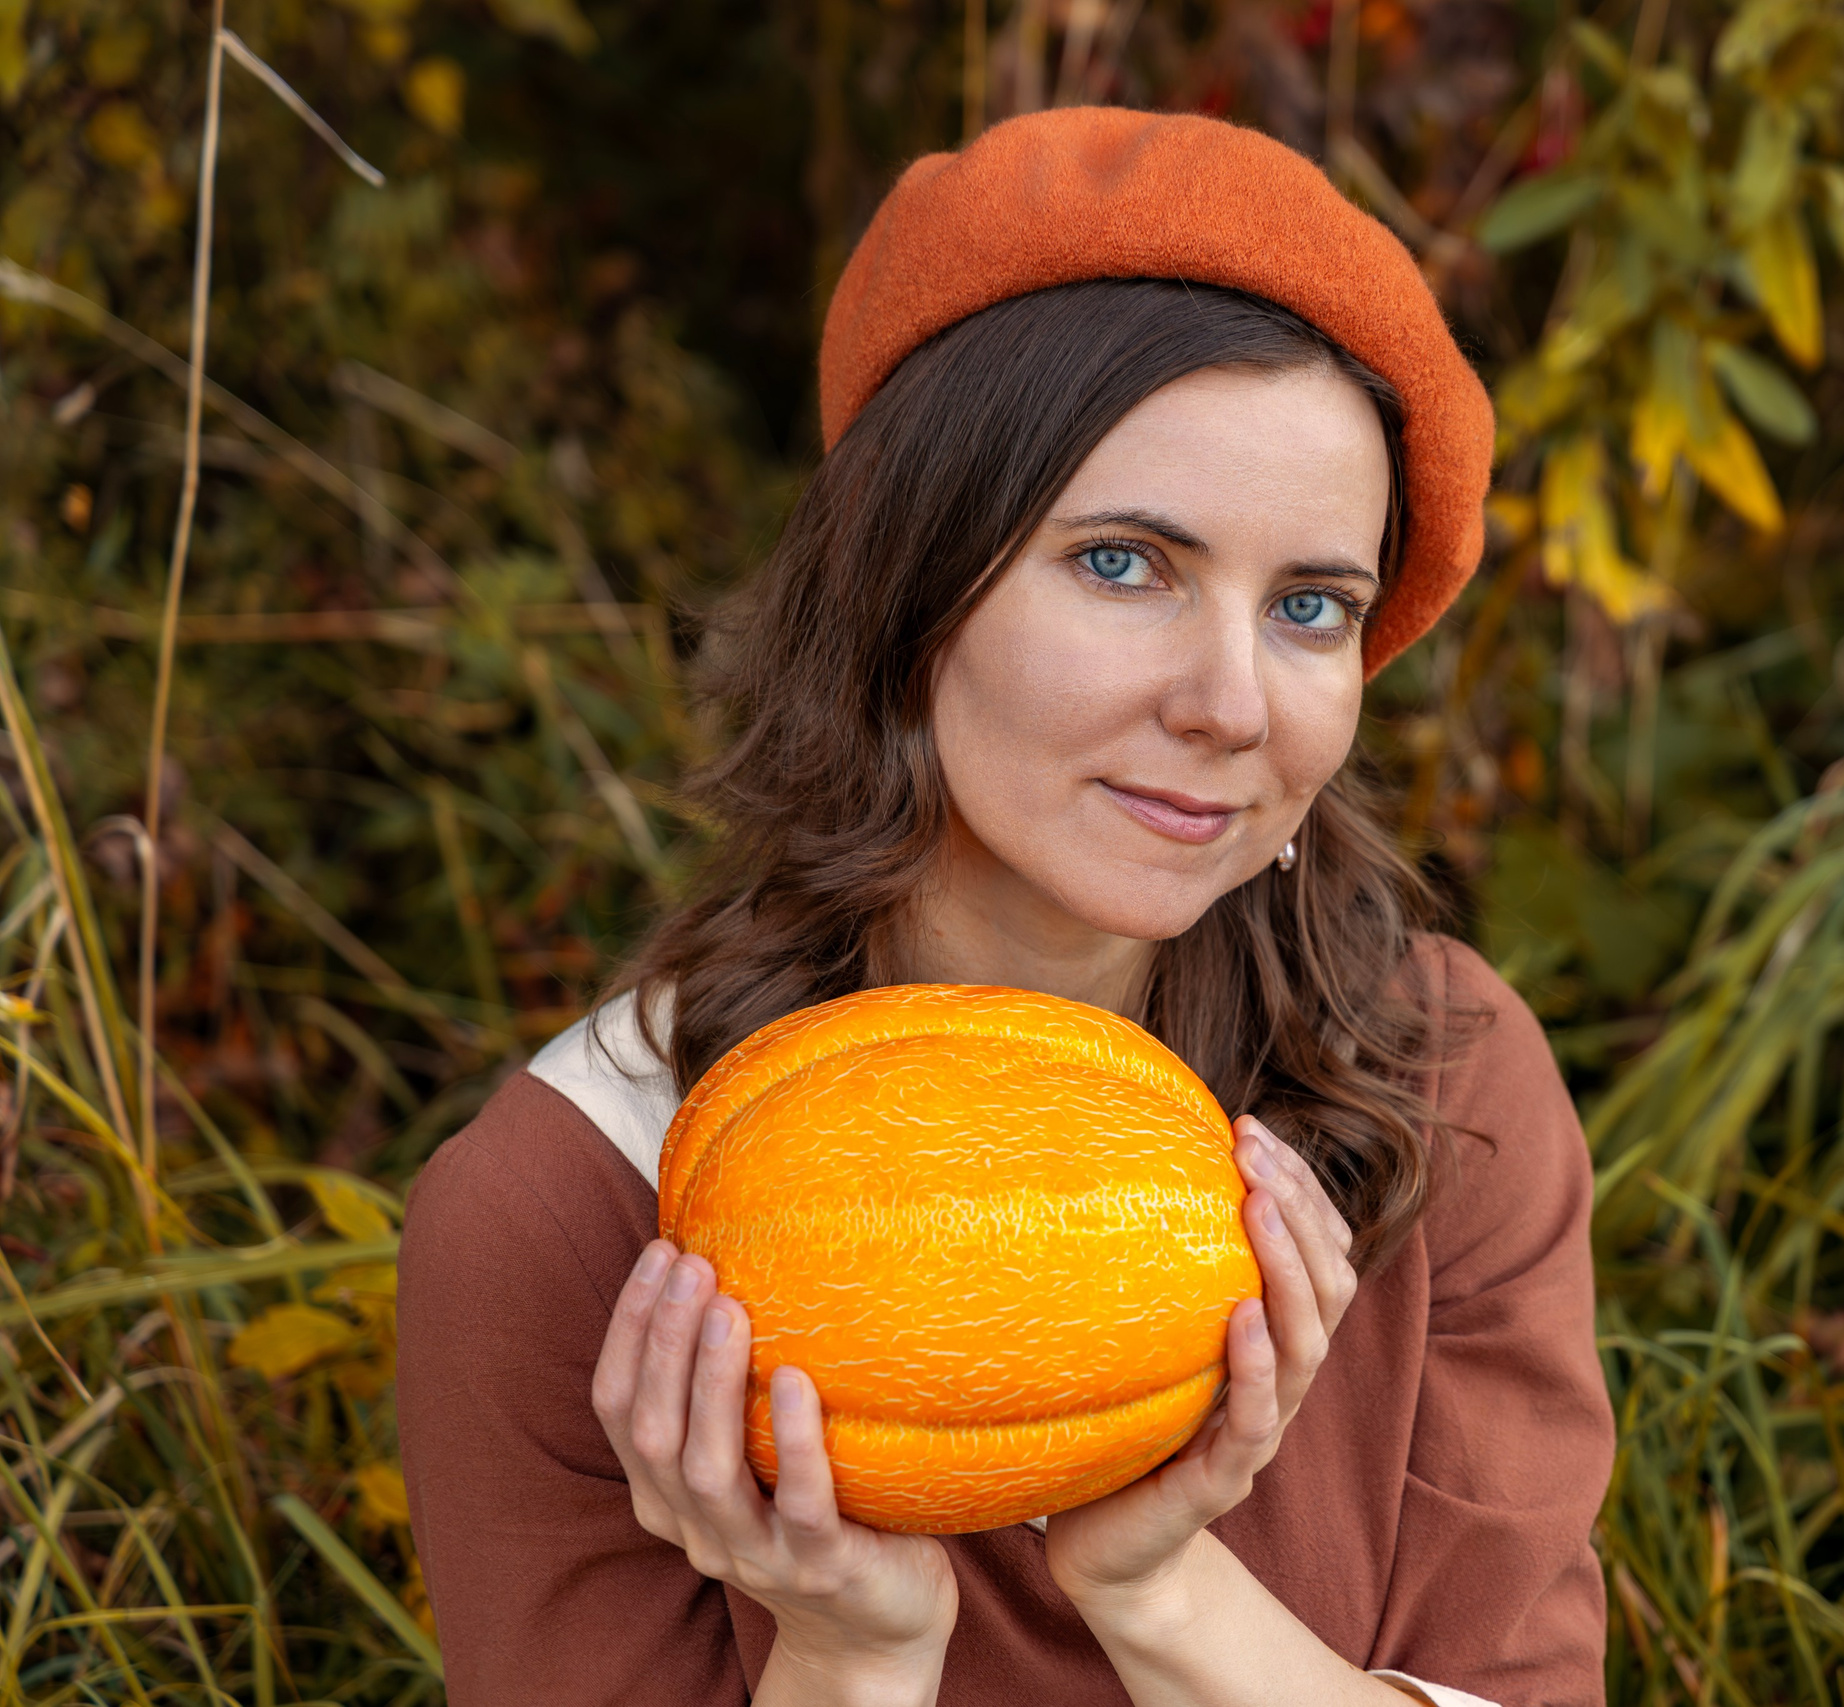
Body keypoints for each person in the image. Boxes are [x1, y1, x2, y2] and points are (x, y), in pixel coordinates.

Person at [395, 107, 1614, 1707]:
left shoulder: (1439, 1084)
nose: (1234, 704)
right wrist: (848, 1657)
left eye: (1312, 607)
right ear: (906, 584)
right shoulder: (573, 1213)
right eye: (1125, 564)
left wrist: (1166, 1596)